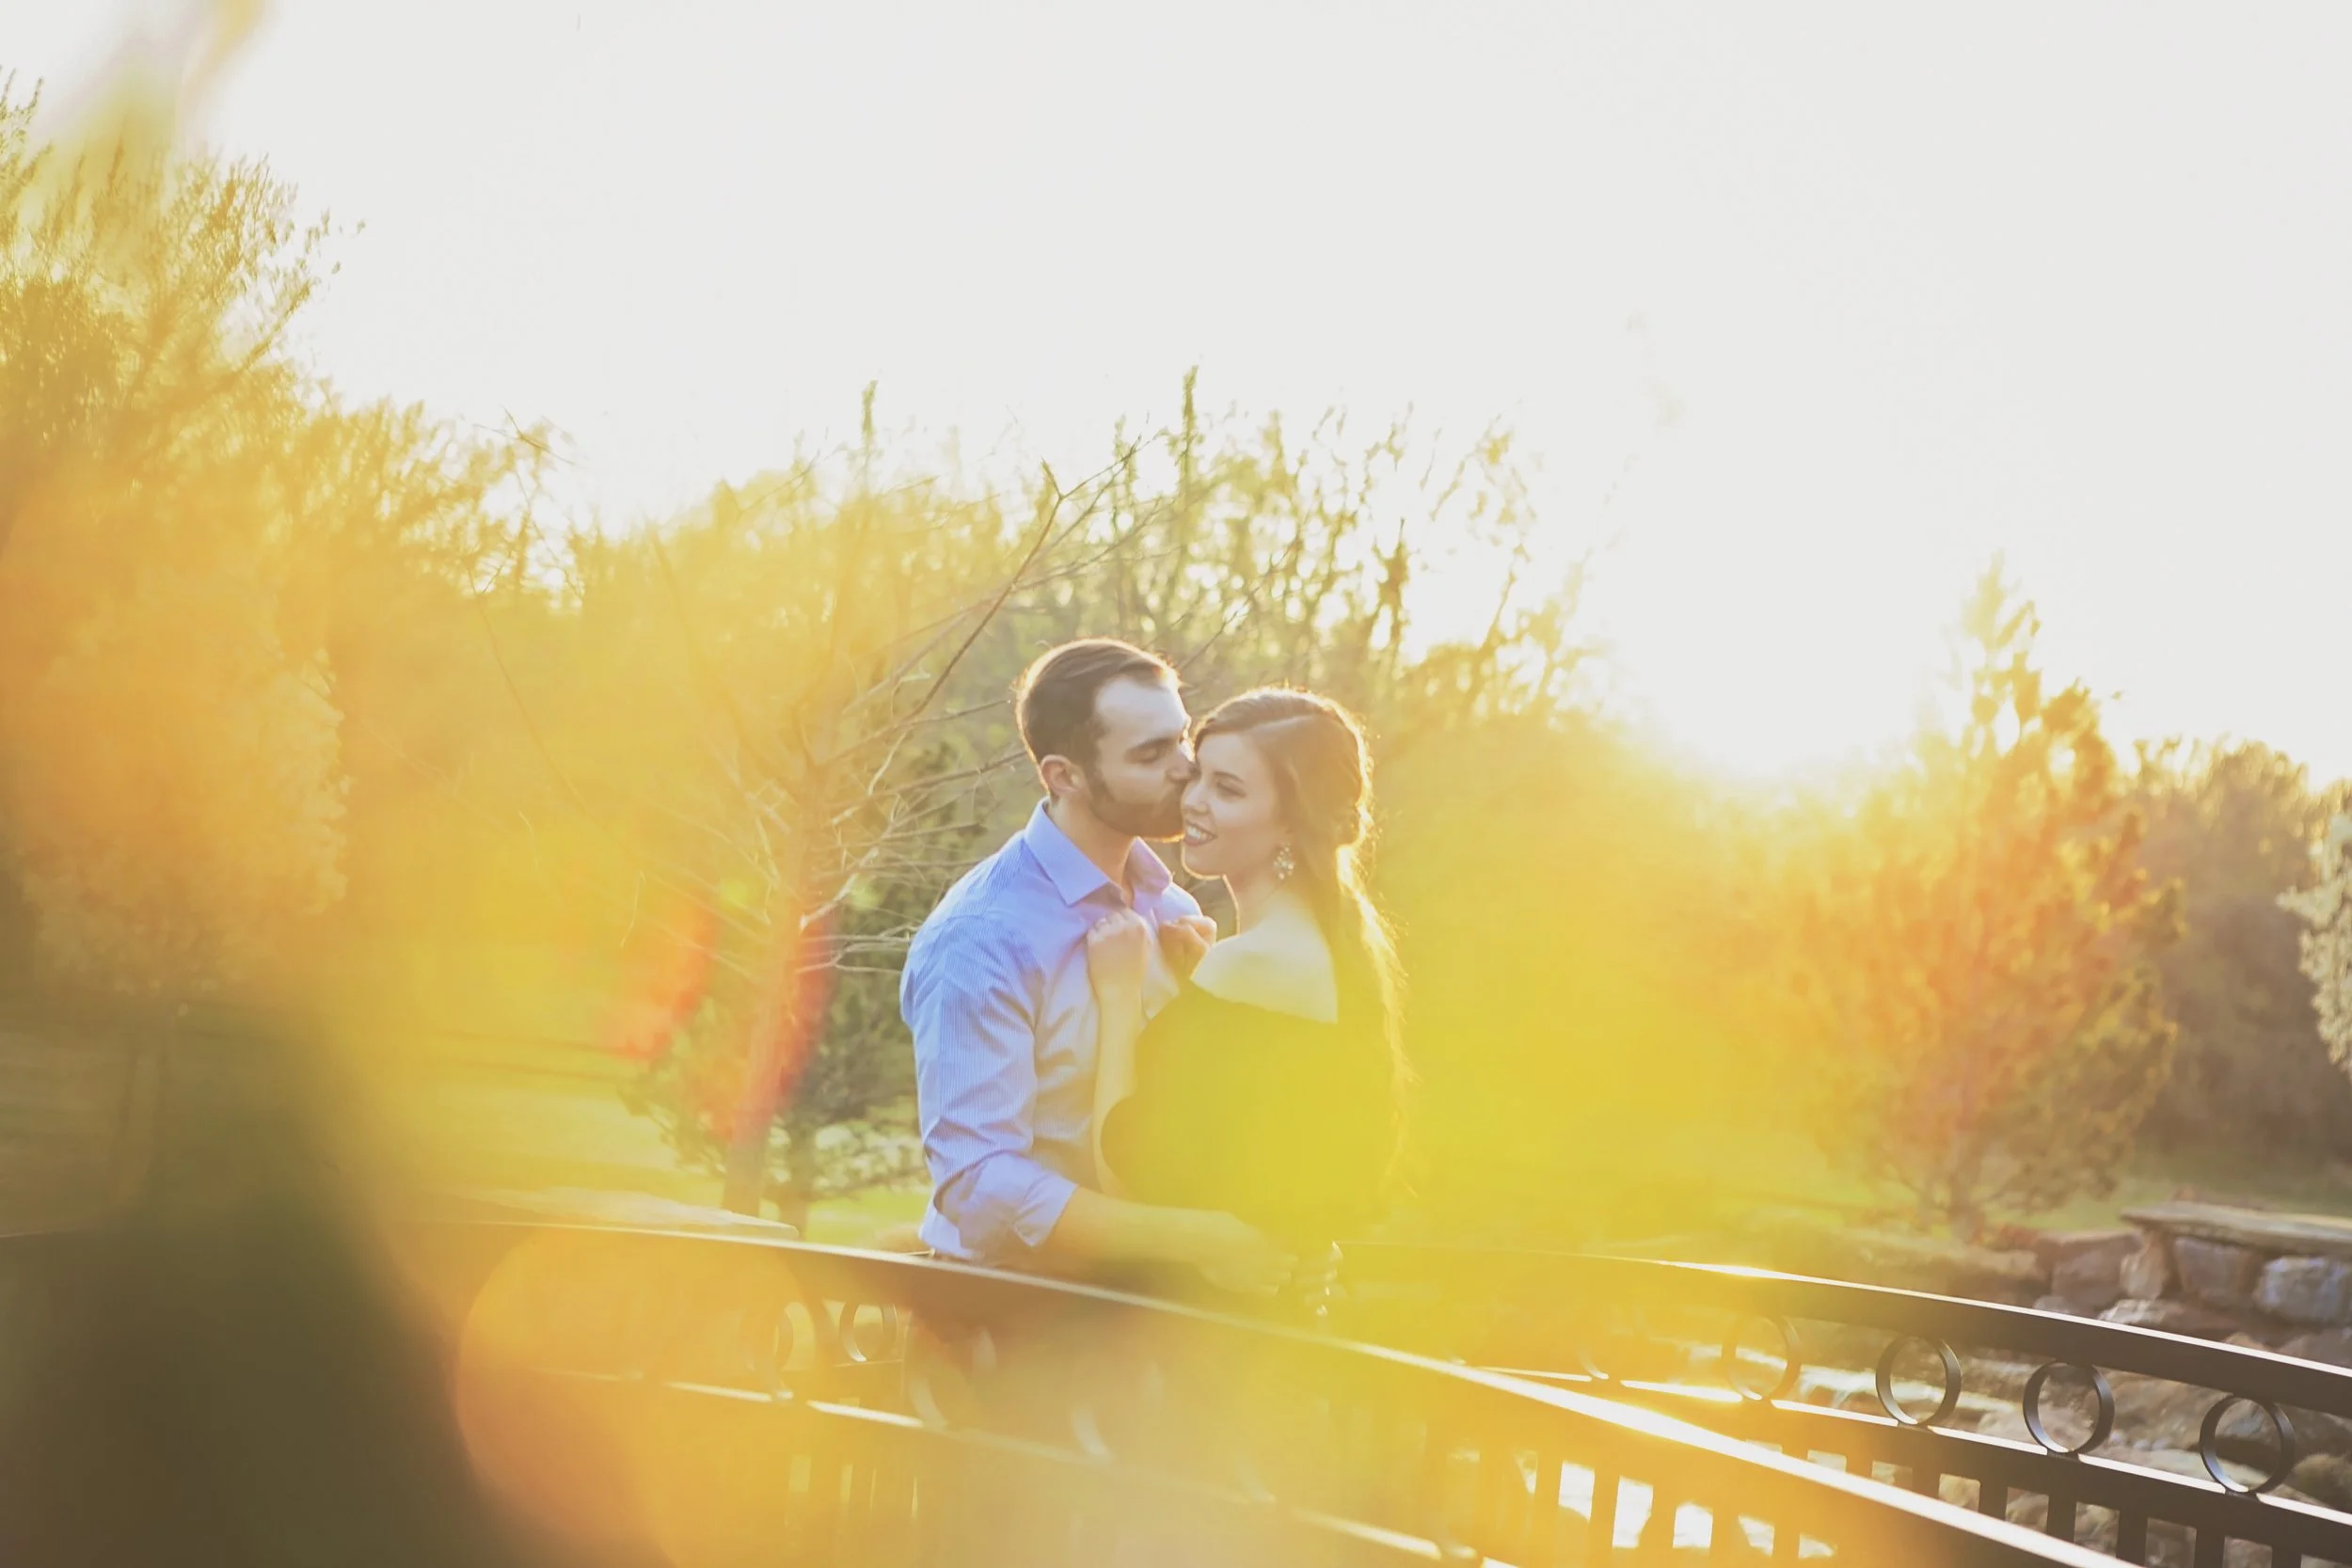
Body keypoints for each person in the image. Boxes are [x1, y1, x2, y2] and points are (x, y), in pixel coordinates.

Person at [901, 639, 1297, 1295]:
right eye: (1151, 754)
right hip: (1008, 1321)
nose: (1184, 771)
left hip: (1153, 1314)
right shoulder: (981, 937)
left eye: (1181, 741)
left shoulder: (1169, 906)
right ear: (1065, 776)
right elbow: (977, 1183)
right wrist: (1194, 1236)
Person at [1086, 687, 1406, 1316]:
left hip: (1201, 1343)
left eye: (1228, 789)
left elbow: (1121, 1175)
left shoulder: (1253, 963)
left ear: (1292, 821)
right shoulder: (1332, 949)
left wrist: (1119, 996)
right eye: (1198, 774)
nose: (1194, 802)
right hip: (1267, 1330)